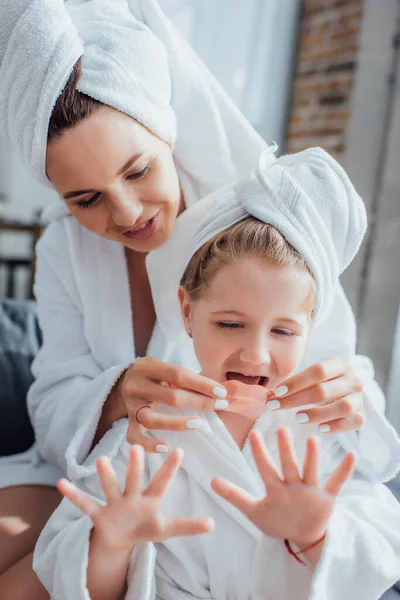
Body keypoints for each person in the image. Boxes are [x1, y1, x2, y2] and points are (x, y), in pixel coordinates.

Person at [0, 1, 399, 597]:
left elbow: (335, 383)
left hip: (199, 484)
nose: (126, 214)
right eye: (87, 199)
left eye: (137, 172)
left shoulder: (263, 232)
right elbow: (56, 400)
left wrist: (349, 392)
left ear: (167, 131)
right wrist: (115, 396)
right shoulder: (65, 251)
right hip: (92, 462)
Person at [33, 147, 400, 600]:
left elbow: (381, 555)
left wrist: (318, 536)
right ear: (187, 311)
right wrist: (111, 544)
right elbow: (78, 583)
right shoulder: (149, 434)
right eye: (230, 324)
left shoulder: (322, 435)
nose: (255, 355)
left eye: (284, 330)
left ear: (311, 327)